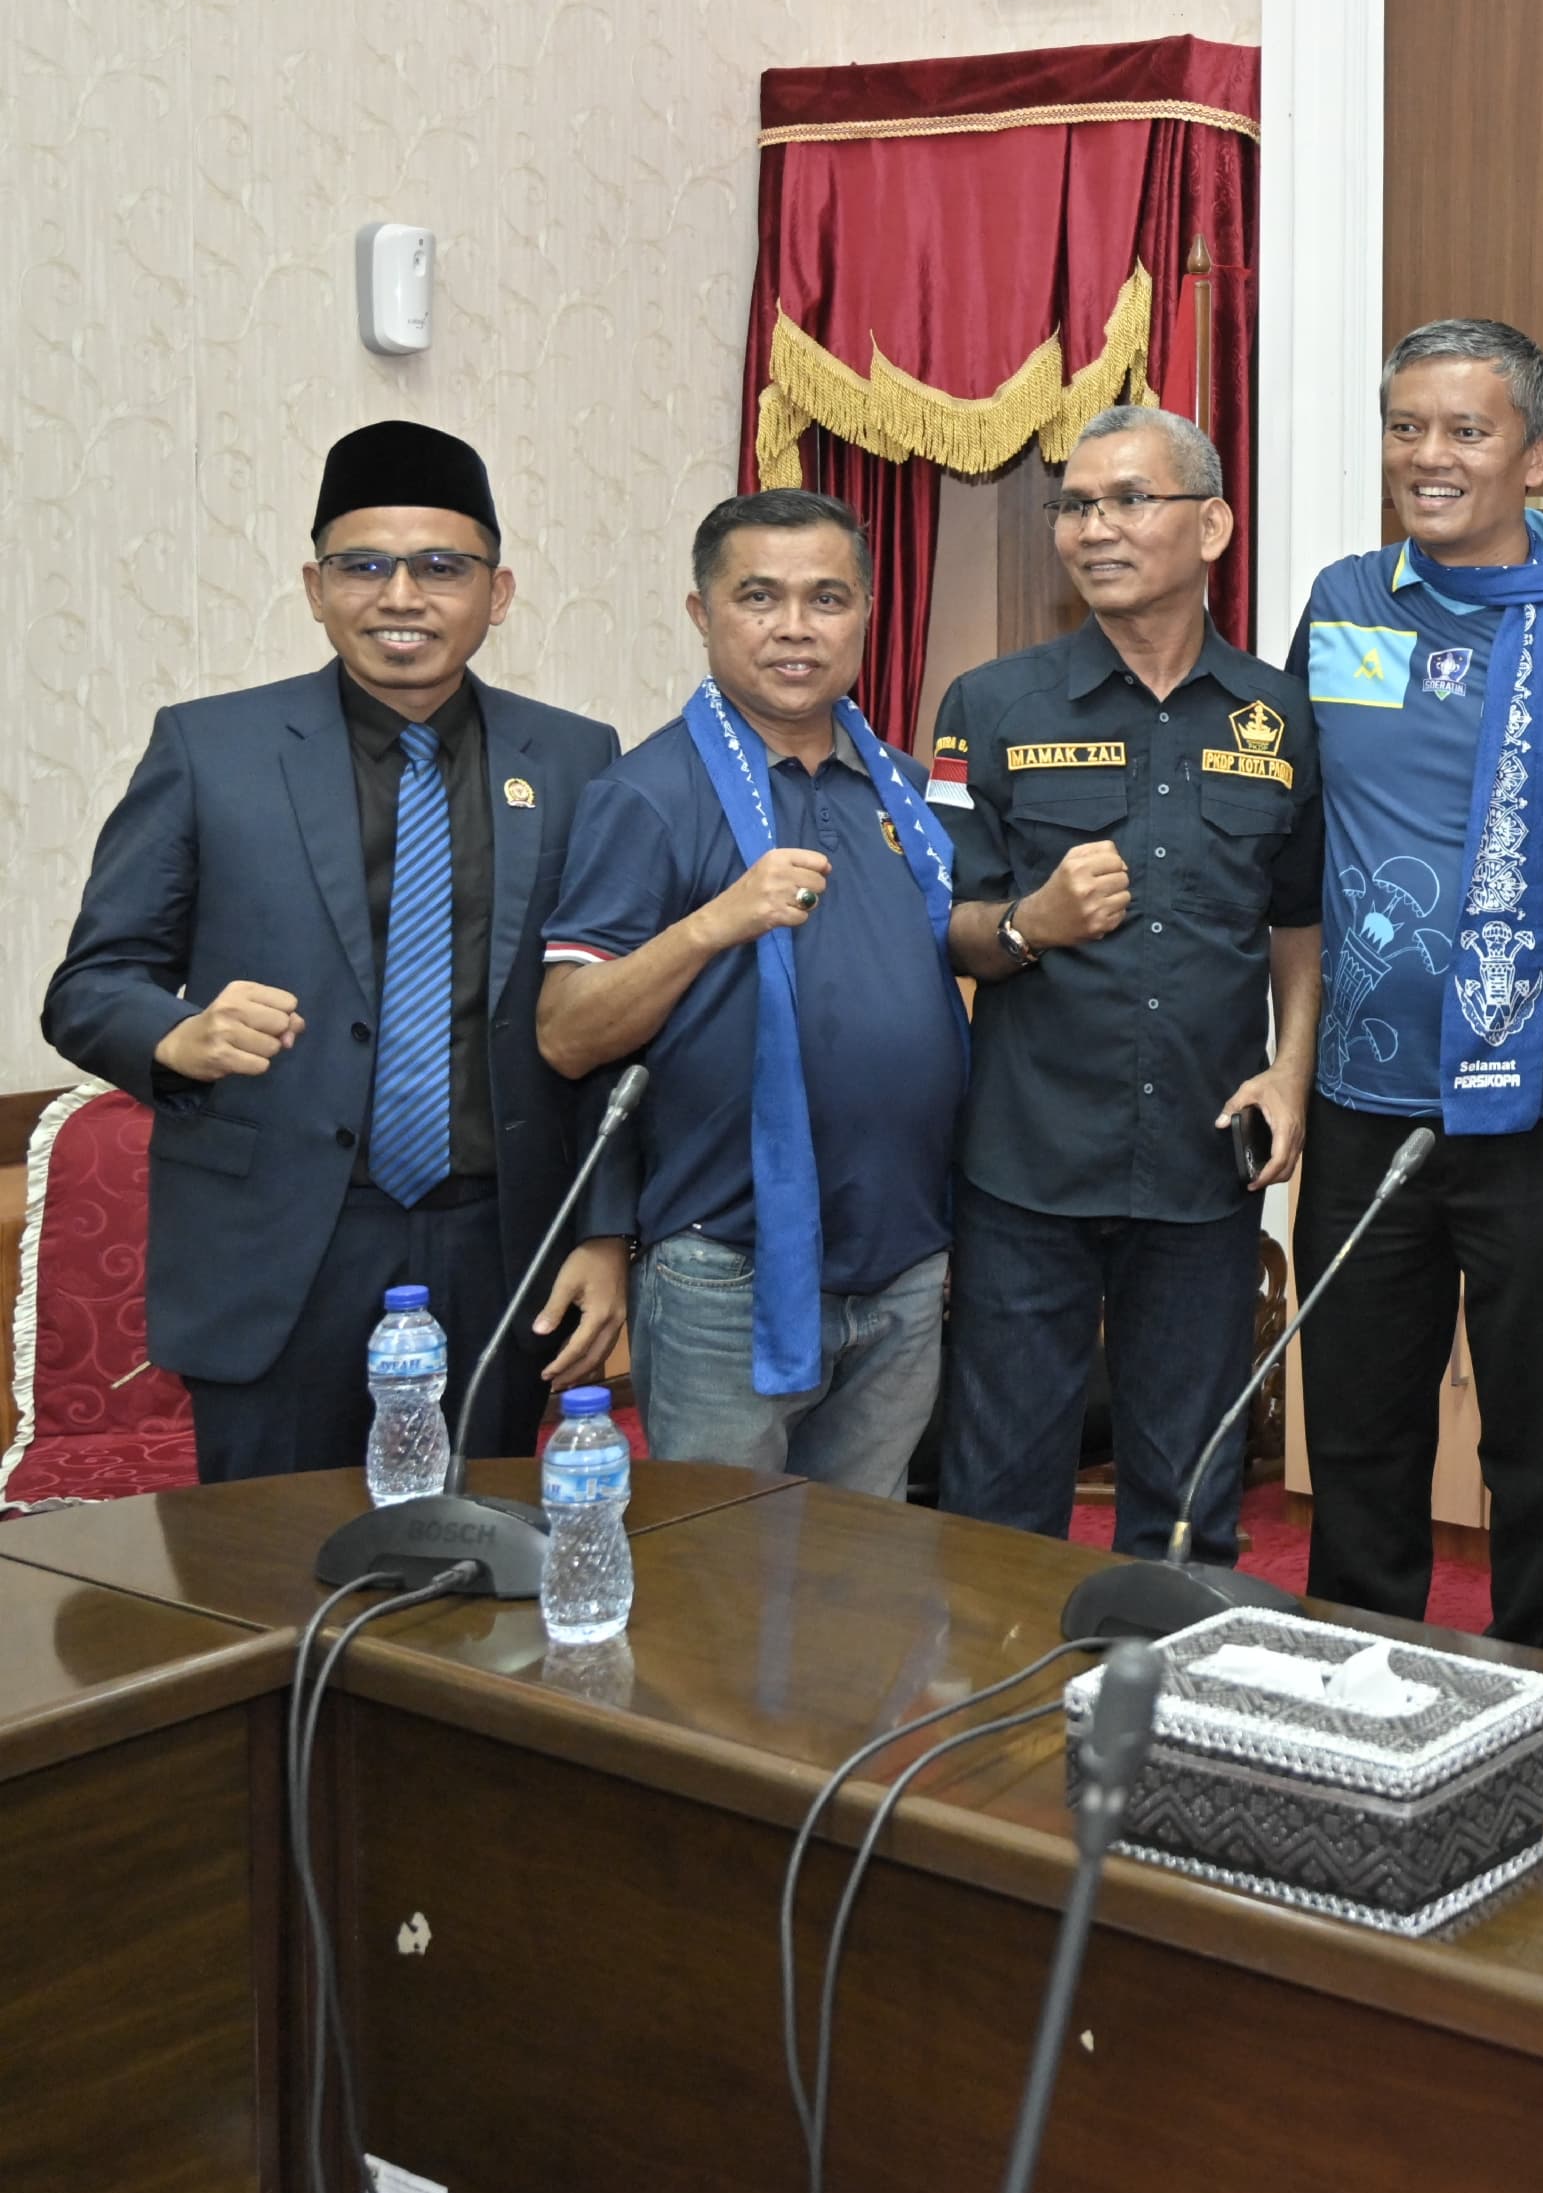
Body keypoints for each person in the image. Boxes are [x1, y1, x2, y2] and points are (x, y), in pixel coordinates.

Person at [46, 421, 628, 1478]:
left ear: (496, 595)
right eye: (363, 565)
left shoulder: (579, 758)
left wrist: (606, 1233)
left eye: (440, 567)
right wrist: (181, 1035)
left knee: (477, 1588)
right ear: (316, 589)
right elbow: (90, 985)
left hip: (499, 1241)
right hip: (280, 1248)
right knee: (265, 1584)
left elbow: (608, 1012)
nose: (400, 596)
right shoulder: (210, 749)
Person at [1286, 320, 1543, 1652]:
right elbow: (1295, 842)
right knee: (1357, 1439)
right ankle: (1344, 1685)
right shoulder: (1339, 605)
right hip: (1360, 1099)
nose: (1428, 457)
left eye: (1466, 430)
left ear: (1537, 454)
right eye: (1406, 428)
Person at [927, 407, 1319, 1560]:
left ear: (1212, 525)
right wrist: (1029, 925)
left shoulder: (1277, 716)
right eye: (1076, 505)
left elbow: (1297, 923)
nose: (1094, 528)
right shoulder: (990, 707)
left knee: (1190, 1506)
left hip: (1204, 1165)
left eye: (1128, 500)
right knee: (998, 1499)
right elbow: (942, 929)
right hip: (1025, 1164)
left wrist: (1288, 1073)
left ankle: (1169, 1729)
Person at [537, 491, 967, 1493]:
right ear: (701, 614)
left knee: (868, 1581)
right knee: (724, 1588)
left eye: (826, 598)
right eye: (758, 597)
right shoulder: (649, 793)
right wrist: (714, 921)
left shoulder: (903, 788)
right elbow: (565, 1034)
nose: (793, 628)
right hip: (727, 1267)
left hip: (904, 1261)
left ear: (866, 611)